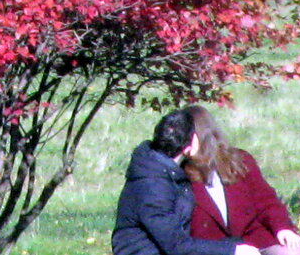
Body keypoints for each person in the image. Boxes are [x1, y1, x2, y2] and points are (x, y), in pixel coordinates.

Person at [183, 105, 300, 254]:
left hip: (255, 239)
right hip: (215, 248)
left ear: (203, 134)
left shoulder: (239, 160)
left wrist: (282, 227)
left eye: (189, 136)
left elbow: (266, 200)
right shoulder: (179, 173)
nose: (184, 142)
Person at [112, 108, 262, 255]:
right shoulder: (152, 185)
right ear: (189, 146)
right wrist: (232, 250)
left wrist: (234, 245)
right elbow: (176, 246)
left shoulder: (162, 170)